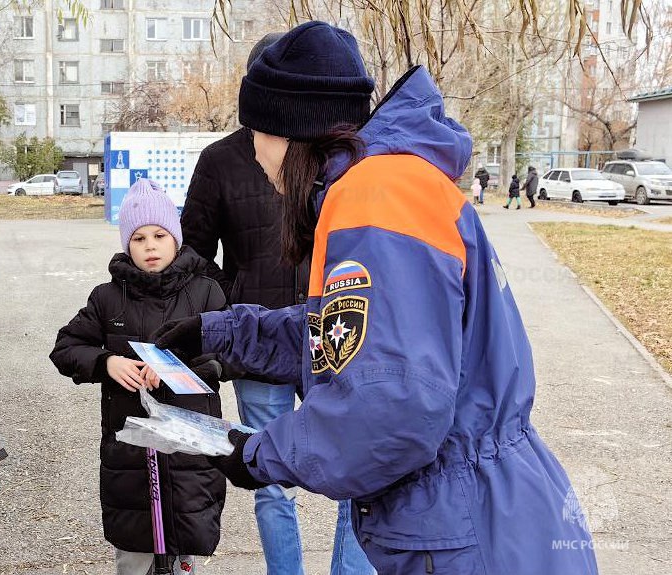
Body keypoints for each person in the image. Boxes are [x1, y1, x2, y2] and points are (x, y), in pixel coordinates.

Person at [154, 21, 598, 575]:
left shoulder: (374, 199)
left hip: (463, 530)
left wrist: (255, 453)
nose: (253, 152)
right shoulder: (389, 186)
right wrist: (224, 332)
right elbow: (352, 338)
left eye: (254, 132)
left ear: (288, 129)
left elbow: (392, 408)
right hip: (478, 512)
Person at [182, 31, 374, 575]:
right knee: (267, 476)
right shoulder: (220, 160)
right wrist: (225, 319)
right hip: (262, 346)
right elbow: (195, 250)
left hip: (333, 332)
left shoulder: (354, 182)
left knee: (353, 471)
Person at [50, 178, 228, 575]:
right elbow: (66, 348)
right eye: (139, 238)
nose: (150, 246)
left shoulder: (206, 293)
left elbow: (229, 354)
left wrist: (179, 367)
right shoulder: (107, 298)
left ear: (176, 239)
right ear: (126, 244)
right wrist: (106, 362)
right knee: (134, 551)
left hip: (189, 449)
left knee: (186, 542)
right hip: (130, 455)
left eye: (159, 235)